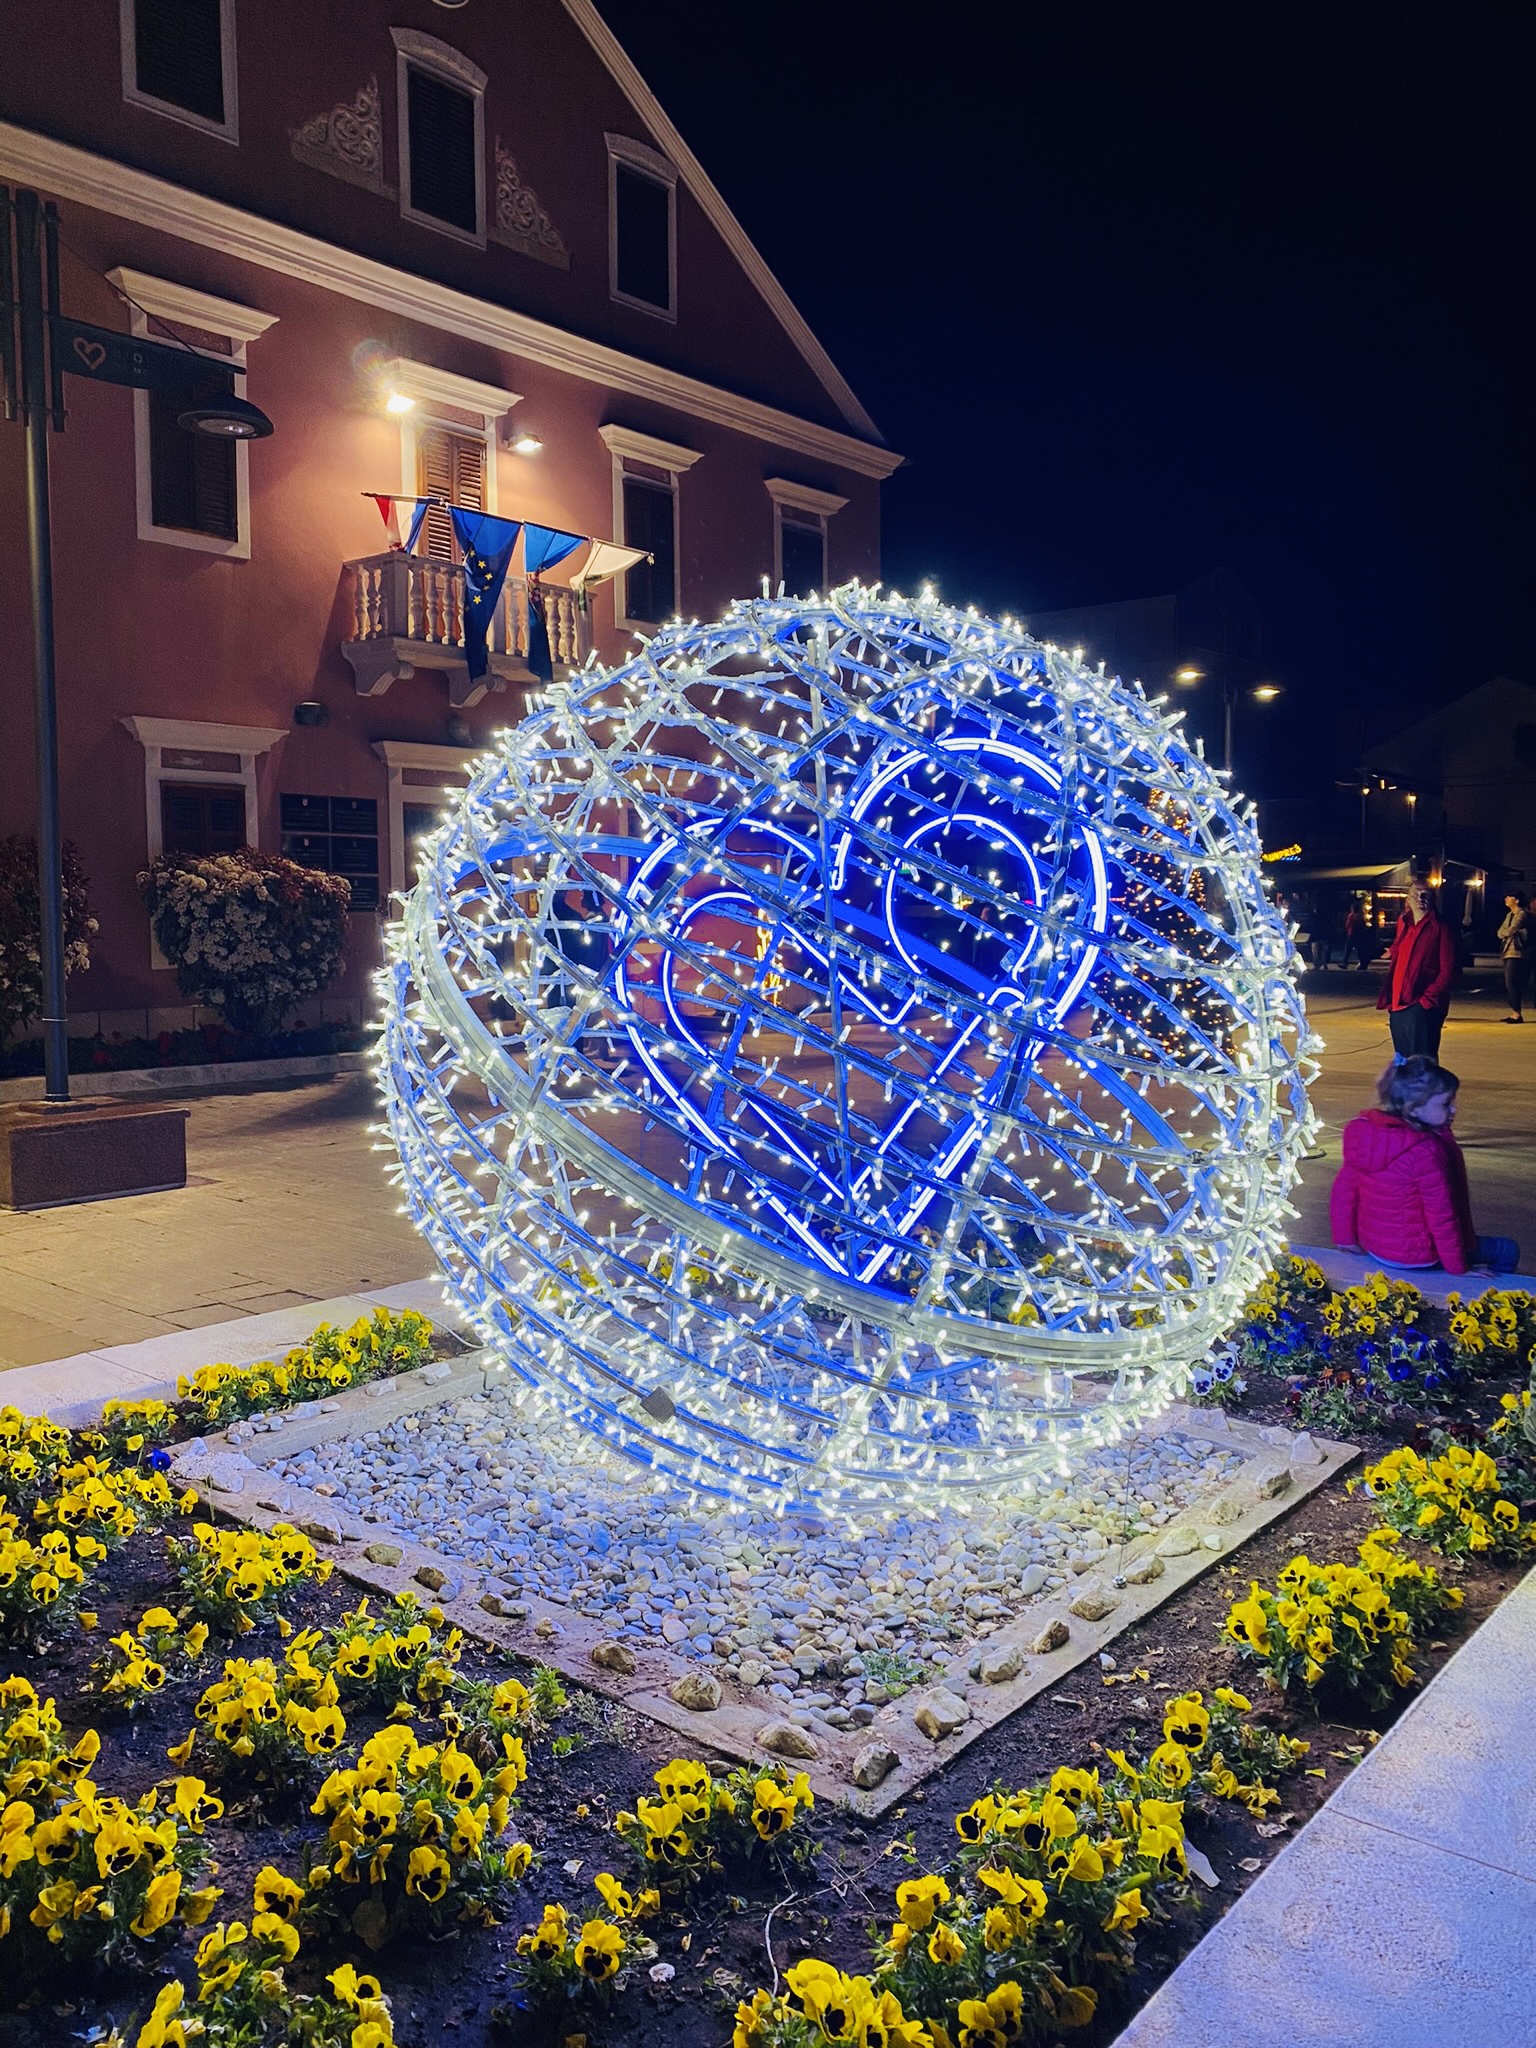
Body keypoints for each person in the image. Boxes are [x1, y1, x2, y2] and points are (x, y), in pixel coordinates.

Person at [1330, 1056, 1520, 1276]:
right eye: (1445, 1104)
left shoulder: (1363, 1135)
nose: (1453, 1110)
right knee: (1507, 1250)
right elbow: (1442, 1217)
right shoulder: (1424, 1152)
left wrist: (1345, 1239)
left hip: (1377, 1249)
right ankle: (1489, 1292)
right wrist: (1459, 1270)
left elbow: (1344, 1191)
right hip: (1420, 1256)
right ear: (1413, 1110)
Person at [1376, 880, 1455, 1058]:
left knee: (1422, 1062)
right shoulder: (1404, 923)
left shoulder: (1441, 927)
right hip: (1397, 1005)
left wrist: (1427, 1000)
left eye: (1425, 894)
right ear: (1408, 900)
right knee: (1402, 1062)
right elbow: (1399, 946)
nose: (1421, 898)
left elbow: (1449, 969)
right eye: (1416, 894)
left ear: (1433, 899)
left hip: (1421, 1006)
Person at [1499, 892, 1529, 1023]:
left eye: (1509, 897)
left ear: (1516, 900)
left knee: (1512, 982)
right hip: (1507, 951)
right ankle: (1514, 1012)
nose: (1506, 899)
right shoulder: (1509, 914)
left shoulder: (1521, 914)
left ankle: (1517, 1013)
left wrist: (1505, 933)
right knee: (1509, 982)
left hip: (1517, 952)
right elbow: (1501, 931)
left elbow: (1511, 930)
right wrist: (1505, 933)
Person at [1340, 897, 1372, 970]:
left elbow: (1347, 925)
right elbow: (1363, 925)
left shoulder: (1351, 916)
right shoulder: (1361, 916)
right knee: (1359, 950)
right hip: (1359, 935)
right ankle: (1363, 964)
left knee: (1347, 949)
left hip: (1351, 934)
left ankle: (1345, 963)